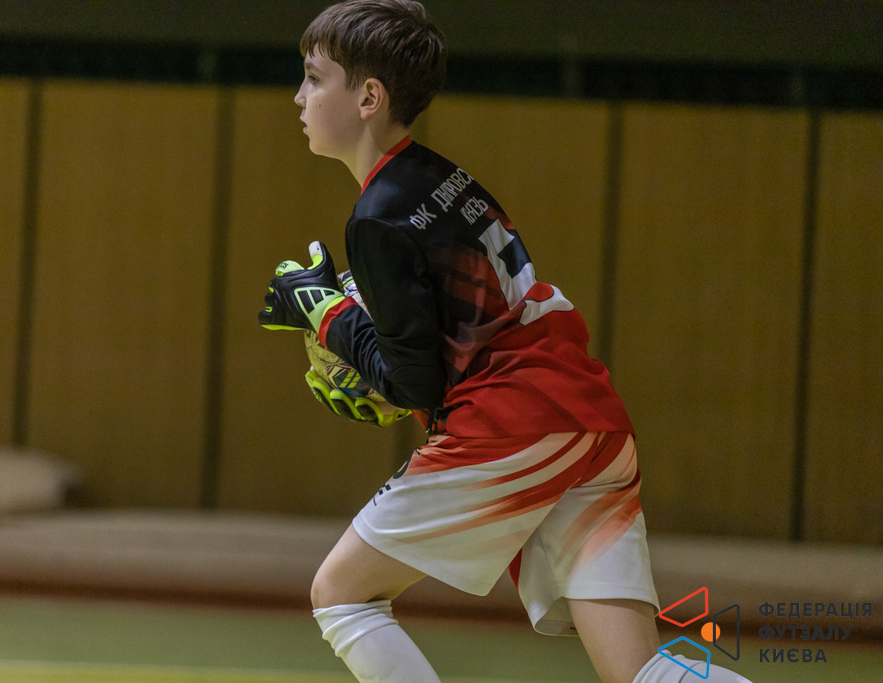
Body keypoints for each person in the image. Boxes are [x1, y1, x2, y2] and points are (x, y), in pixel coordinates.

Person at [258, 2, 751, 681]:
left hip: (515, 420)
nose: (299, 96)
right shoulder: (443, 177)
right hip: (590, 416)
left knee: (342, 592)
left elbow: (415, 384)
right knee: (642, 672)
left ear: (369, 97)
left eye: (314, 78)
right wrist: (350, 326)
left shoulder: (376, 218)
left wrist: (326, 314)